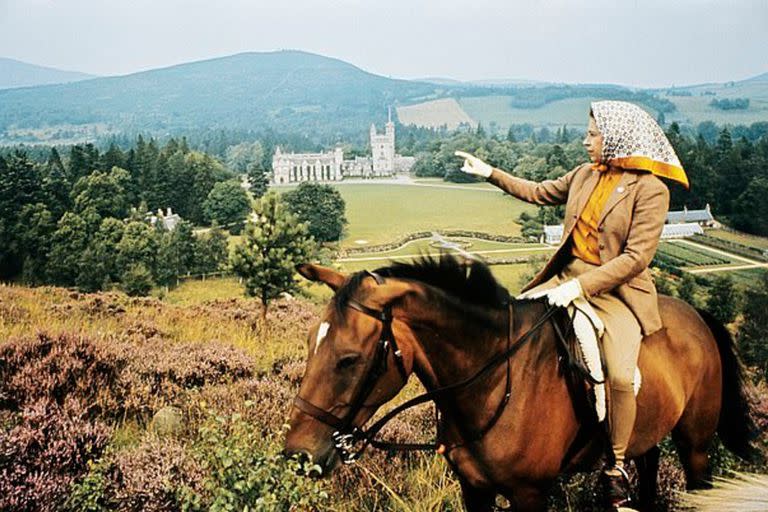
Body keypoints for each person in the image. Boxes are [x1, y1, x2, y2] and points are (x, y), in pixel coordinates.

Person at [456, 100, 689, 510]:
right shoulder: (584, 175)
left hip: (615, 291)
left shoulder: (652, 190)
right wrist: (490, 173)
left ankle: (616, 469)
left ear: (617, 139)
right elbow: (538, 191)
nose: (586, 141)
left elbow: (635, 259)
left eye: (593, 134)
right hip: (563, 279)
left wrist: (581, 288)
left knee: (619, 375)